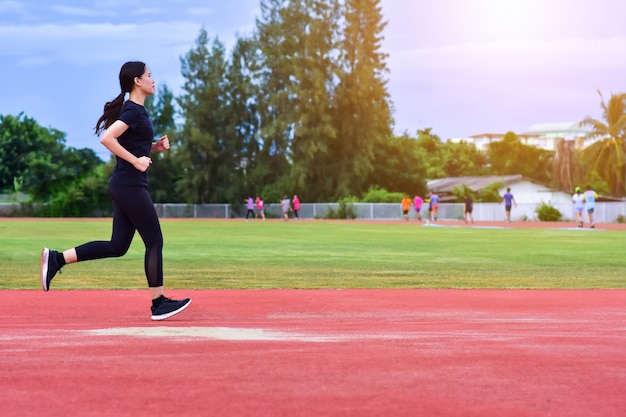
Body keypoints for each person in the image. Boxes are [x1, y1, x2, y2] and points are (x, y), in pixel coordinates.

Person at [39, 61, 191, 321]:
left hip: (125, 185)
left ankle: (56, 259)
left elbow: (131, 142)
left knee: (117, 245)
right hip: (129, 185)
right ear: (137, 81)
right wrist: (136, 161)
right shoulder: (132, 110)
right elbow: (107, 138)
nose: (153, 80)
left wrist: (154, 147)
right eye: (149, 75)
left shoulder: (136, 111)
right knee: (154, 240)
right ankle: (158, 303)